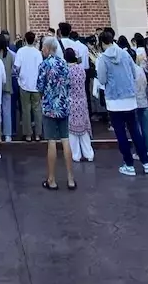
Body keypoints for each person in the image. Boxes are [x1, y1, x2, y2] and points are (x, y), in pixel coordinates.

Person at [97, 29, 148, 174]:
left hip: (114, 101)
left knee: (121, 134)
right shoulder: (125, 53)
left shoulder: (103, 59)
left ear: (102, 43)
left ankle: (129, 164)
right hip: (129, 98)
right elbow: (134, 73)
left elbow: (102, 79)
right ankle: (146, 163)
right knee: (135, 132)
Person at [37, 36, 76, 191]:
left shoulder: (45, 65)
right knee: (66, 140)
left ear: (47, 48)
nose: (42, 50)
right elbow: (69, 84)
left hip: (50, 107)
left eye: (43, 48)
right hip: (64, 106)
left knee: (52, 141)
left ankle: (52, 179)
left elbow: (39, 86)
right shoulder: (64, 64)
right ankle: (70, 178)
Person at [65, 48, 93, 163]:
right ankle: (89, 153)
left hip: (71, 101)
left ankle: (76, 155)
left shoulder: (67, 71)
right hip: (82, 100)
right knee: (84, 129)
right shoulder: (81, 70)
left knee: (72, 131)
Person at [14, 31, 42, 142]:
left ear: (25, 40)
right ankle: (38, 134)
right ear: (34, 40)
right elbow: (41, 67)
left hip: (24, 84)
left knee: (26, 109)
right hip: (36, 85)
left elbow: (17, 67)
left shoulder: (21, 51)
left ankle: (28, 134)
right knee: (37, 109)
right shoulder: (37, 53)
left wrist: (19, 76)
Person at [0, 34, 14, 143]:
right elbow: (12, 69)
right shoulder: (10, 55)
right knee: (7, 111)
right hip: (7, 85)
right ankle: (8, 134)